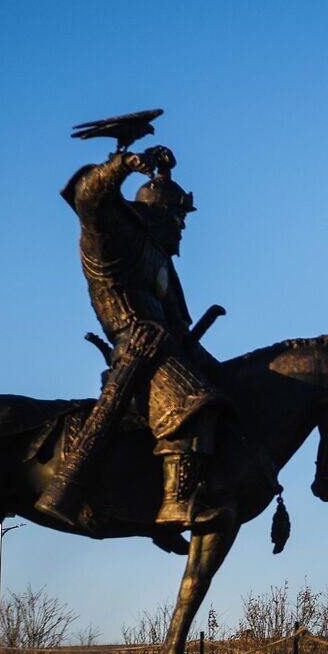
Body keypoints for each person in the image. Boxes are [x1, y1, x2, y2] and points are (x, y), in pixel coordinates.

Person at [36, 145, 227, 528]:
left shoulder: (161, 262)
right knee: (191, 399)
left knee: (221, 390)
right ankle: (176, 502)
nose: (182, 225)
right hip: (134, 346)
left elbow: (177, 324)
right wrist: (122, 165)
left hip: (165, 347)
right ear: (156, 213)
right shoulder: (114, 240)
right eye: (177, 215)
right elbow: (89, 197)